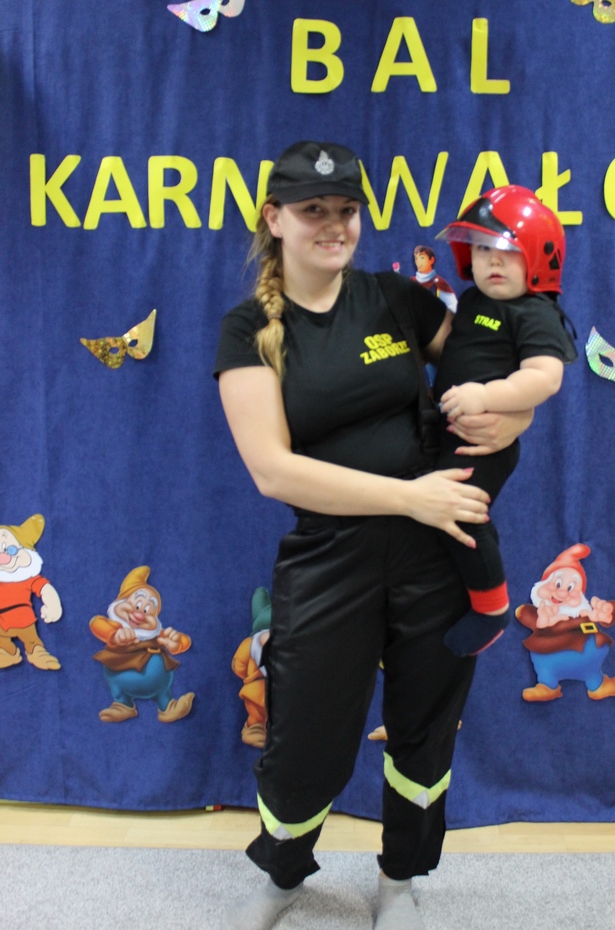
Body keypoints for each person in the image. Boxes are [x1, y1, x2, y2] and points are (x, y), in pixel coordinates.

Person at [214, 142, 531, 930]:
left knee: (425, 728)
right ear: (274, 218)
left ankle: (399, 879)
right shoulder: (252, 328)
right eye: (313, 210)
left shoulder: (395, 298)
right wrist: (409, 498)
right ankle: (283, 873)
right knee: (305, 736)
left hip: (436, 555)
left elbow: (492, 364)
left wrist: (515, 412)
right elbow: (273, 471)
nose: (334, 224)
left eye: (347, 210)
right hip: (333, 557)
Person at [433, 185, 577, 658]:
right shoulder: (474, 301)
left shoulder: (534, 313)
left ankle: (491, 608)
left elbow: (545, 377)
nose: (492, 261)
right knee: (449, 514)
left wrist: (486, 396)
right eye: (480, 249)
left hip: (484, 444)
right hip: (450, 434)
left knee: (460, 513)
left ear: (539, 258)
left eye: (507, 251)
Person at [411, 245, 457, 312]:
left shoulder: (439, 284)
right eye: (416, 258)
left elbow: (453, 306)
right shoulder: (410, 282)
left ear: (431, 260)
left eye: (422, 257)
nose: (418, 261)